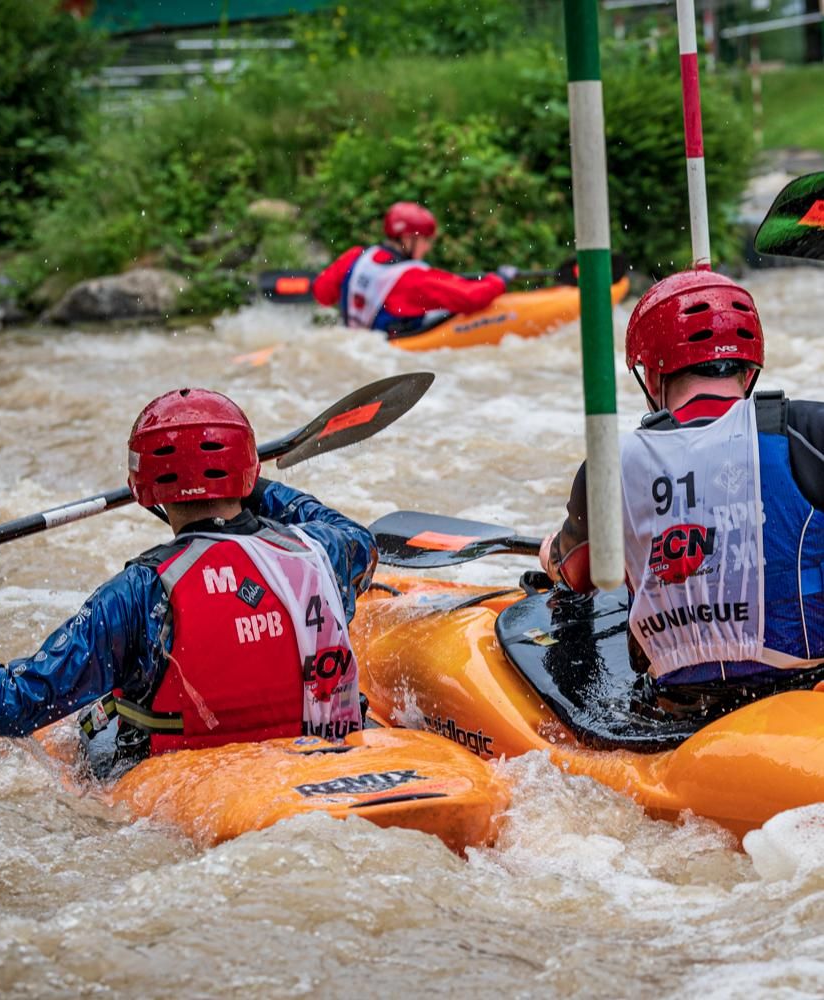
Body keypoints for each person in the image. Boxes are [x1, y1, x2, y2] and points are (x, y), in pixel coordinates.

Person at [0, 388, 378, 770]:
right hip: (324, 749)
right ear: (244, 468)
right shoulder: (325, 550)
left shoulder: (141, 593)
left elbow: (6, 706)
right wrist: (253, 485)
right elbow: (358, 535)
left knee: (95, 720)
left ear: (146, 490)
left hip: (189, 774)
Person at [539, 268, 824, 708]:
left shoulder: (609, 465)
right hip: (806, 698)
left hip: (680, 713)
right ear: (749, 374)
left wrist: (551, 554)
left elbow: (577, 574)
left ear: (652, 379)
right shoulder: (808, 431)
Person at [312, 201, 519, 336]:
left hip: (358, 344)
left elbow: (322, 293)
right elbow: (471, 297)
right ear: (406, 239)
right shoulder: (413, 278)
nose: (428, 246)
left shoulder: (355, 256)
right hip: (396, 353)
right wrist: (500, 279)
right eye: (425, 240)